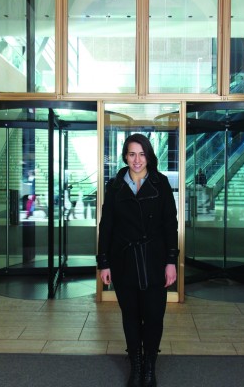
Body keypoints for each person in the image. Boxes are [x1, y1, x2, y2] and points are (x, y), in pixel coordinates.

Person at [97, 133, 179, 387]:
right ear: (125, 156)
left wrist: (171, 261)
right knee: (130, 316)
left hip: (154, 262)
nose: (137, 160)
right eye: (132, 154)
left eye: (142, 154)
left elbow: (170, 225)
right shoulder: (114, 186)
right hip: (124, 262)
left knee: (154, 316)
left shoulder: (161, 183)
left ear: (149, 156)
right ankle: (136, 365)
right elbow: (106, 225)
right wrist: (104, 262)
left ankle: (150, 366)